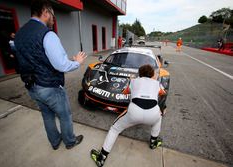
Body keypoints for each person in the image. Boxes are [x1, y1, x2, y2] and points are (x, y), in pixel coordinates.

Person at [14, 0, 87, 150]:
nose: (53, 19)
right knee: (65, 115)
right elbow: (60, 65)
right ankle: (70, 141)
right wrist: (77, 62)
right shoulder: (48, 34)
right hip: (49, 87)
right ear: (45, 12)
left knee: (47, 115)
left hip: (32, 86)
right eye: (52, 15)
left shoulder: (19, 34)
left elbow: (35, 57)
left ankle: (54, 142)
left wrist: (67, 60)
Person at [90, 64, 164, 167]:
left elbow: (125, 92)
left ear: (140, 74)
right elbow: (162, 93)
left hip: (135, 111)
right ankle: (153, 142)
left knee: (115, 129)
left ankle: (101, 157)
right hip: (153, 113)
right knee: (159, 117)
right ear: (152, 74)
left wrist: (131, 81)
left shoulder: (134, 81)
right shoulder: (156, 83)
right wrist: (153, 82)